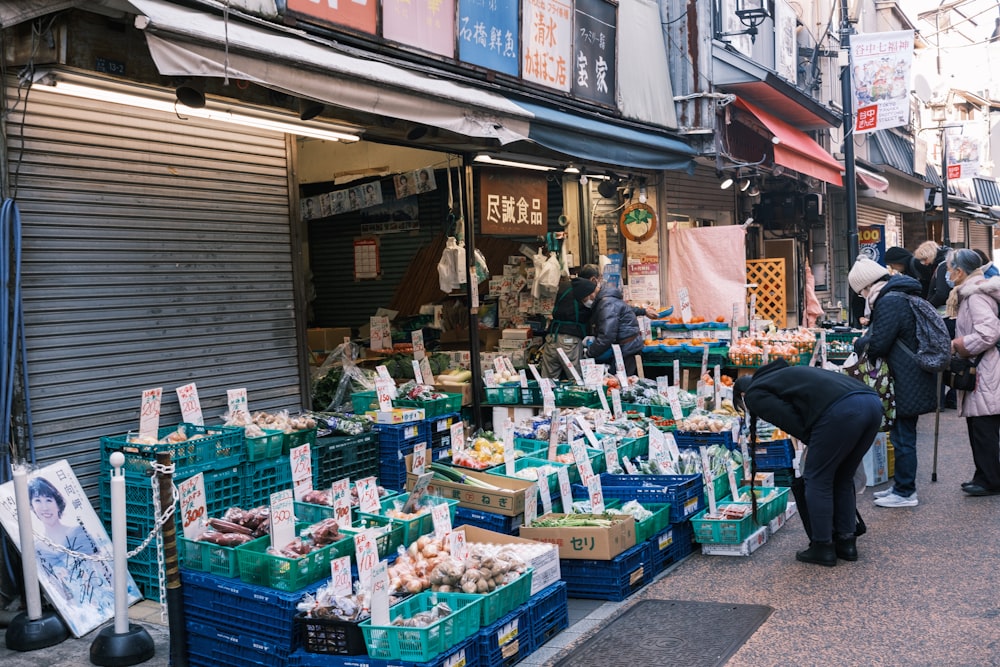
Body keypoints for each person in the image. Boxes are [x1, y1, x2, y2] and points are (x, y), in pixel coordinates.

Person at [734, 359, 881, 566]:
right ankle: (847, 543)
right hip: (872, 404)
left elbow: (791, 421)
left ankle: (823, 547)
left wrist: (816, 443)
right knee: (843, 477)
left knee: (817, 478)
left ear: (743, 396)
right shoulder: (787, 375)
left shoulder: (756, 393)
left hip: (842, 412)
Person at [848, 255, 938, 508]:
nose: (862, 296)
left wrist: (860, 342)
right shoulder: (900, 295)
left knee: (903, 437)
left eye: (861, 291)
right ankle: (900, 486)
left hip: (905, 378)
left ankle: (906, 492)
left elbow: (879, 343)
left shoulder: (889, 301)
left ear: (868, 285)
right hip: (911, 375)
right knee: (902, 435)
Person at [946, 249, 1000, 495]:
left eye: (949, 268)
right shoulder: (974, 292)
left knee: (983, 426)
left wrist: (960, 345)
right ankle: (985, 476)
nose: (947, 273)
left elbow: (988, 332)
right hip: (986, 366)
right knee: (981, 424)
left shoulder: (975, 296)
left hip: (985, 368)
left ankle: (989, 479)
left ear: (960, 271)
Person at [28, 476, 115, 624]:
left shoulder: (78, 532)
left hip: (101, 598)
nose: (44, 507)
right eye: (37, 500)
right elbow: (54, 585)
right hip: (77, 612)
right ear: (31, 505)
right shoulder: (36, 546)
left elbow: (102, 568)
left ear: (58, 503)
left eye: (49, 500)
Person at [539, 265, 600, 380]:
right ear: (593, 279)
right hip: (569, 341)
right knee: (576, 381)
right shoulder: (586, 288)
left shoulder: (565, 285)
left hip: (551, 338)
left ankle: (546, 398)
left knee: (548, 382)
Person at [584, 278, 644, 375]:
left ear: (590, 294)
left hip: (626, 347)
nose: (585, 302)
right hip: (627, 345)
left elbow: (607, 336)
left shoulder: (607, 303)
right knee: (621, 381)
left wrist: (590, 353)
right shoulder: (608, 299)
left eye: (584, 299)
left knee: (622, 383)